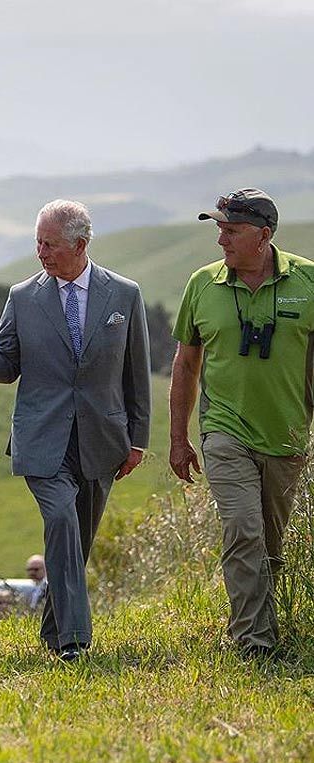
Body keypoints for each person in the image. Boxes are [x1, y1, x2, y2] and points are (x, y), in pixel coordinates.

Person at [0, 199, 151, 661]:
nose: (41, 252)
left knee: (76, 540)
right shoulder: (23, 297)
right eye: (37, 242)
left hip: (102, 439)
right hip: (42, 439)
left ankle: (50, 631)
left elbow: (137, 370)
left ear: (80, 245)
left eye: (50, 244)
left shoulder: (124, 294)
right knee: (60, 519)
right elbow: (5, 365)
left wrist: (137, 439)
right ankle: (75, 641)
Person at [170, 188, 314, 659]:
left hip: (286, 435)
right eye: (218, 230)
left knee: (270, 545)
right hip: (225, 431)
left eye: (231, 231)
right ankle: (254, 643)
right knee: (243, 529)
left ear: (264, 235)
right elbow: (186, 364)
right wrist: (179, 437)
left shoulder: (308, 281)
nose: (221, 241)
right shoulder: (201, 285)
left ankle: (264, 621)